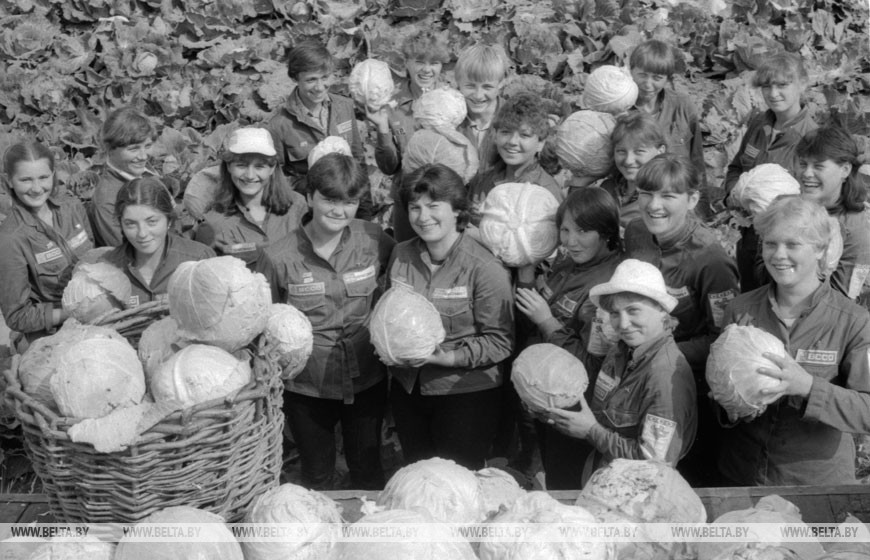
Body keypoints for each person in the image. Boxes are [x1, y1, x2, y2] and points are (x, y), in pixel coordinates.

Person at [255, 153, 393, 491]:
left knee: (368, 469)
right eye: (330, 199)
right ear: (310, 196)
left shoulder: (375, 240)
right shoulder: (278, 256)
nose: (339, 210)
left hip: (366, 379)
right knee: (317, 473)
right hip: (307, 386)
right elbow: (261, 322)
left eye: (349, 202)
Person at [718, 196, 870, 485]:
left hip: (815, 483)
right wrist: (730, 402)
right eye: (771, 243)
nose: (778, 255)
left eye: (792, 244)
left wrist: (809, 388)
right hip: (743, 475)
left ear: (820, 249)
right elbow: (725, 397)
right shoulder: (740, 310)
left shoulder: (854, 321)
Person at [387, 164, 514, 470]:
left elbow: (501, 341)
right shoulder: (401, 254)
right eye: (414, 208)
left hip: (464, 395)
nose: (422, 216)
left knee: (459, 481)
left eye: (433, 206)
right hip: (409, 390)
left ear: (458, 210)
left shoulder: (483, 267)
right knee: (417, 476)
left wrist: (444, 359)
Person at [623, 153, 739, 486]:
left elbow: (722, 339)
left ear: (692, 199)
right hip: (637, 375)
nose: (653, 205)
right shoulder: (636, 233)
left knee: (680, 482)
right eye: (646, 193)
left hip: (687, 389)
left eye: (668, 196)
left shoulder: (710, 260)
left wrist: (663, 351)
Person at [546, 259, 697, 484]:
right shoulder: (621, 350)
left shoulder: (663, 376)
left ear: (662, 311)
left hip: (634, 496)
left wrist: (591, 431)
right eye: (615, 313)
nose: (623, 324)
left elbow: (654, 464)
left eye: (633, 310)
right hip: (606, 478)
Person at [515, 187, 623, 489]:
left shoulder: (605, 287)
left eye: (583, 231)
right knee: (552, 474)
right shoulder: (566, 263)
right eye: (565, 229)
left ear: (606, 233)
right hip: (546, 396)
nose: (570, 241)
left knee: (569, 484)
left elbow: (593, 364)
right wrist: (526, 275)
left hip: (577, 409)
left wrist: (547, 322)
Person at [723, 52, 816, 292]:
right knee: (751, 297)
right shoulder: (758, 123)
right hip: (750, 238)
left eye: (783, 85)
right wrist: (733, 195)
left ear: (802, 84)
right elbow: (736, 167)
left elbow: (815, 199)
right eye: (767, 86)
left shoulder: (812, 138)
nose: (773, 94)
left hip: (785, 244)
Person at [0, 141, 94, 349]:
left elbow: (95, 256)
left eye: (43, 177)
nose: (36, 188)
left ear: (53, 174)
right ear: (9, 181)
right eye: (25, 180)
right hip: (52, 335)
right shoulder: (10, 239)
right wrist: (70, 313)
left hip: (95, 315)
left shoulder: (72, 206)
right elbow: (17, 316)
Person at [267, 41, 372, 219]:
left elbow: (358, 161)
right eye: (311, 80)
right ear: (295, 79)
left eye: (325, 78)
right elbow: (276, 179)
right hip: (308, 213)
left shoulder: (344, 106)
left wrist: (365, 212)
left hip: (347, 208)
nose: (319, 87)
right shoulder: (279, 124)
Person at [195, 128, 307, 269]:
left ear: (272, 169)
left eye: (259, 166)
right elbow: (206, 278)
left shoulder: (298, 206)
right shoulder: (213, 222)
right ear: (228, 167)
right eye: (241, 165)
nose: (250, 175)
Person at [101, 177, 214, 306]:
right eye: (131, 224)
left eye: (152, 222)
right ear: (120, 224)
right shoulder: (106, 268)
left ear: (169, 220)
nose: (142, 233)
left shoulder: (199, 259)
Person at [795, 125, 870, 306]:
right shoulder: (792, 207)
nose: (807, 173)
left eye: (818, 166)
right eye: (803, 164)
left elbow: (844, 300)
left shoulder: (855, 227)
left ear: (844, 170)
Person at [467, 92, 563, 227]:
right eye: (505, 132)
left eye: (524, 135)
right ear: (495, 135)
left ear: (540, 143)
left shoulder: (546, 191)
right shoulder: (482, 180)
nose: (512, 141)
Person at [368, 30, 451, 177]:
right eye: (419, 62)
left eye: (434, 63)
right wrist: (382, 128)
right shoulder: (391, 107)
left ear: (441, 66)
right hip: (408, 191)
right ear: (406, 62)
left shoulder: (453, 101)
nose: (427, 70)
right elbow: (389, 168)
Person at [629, 40, 704, 179]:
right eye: (642, 75)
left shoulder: (683, 105)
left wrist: (702, 198)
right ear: (631, 71)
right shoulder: (622, 110)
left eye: (657, 78)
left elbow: (697, 159)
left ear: (668, 80)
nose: (648, 84)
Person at [90, 106, 158, 248]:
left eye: (147, 146)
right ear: (109, 149)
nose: (143, 156)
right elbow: (128, 253)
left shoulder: (147, 174)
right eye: (133, 149)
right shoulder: (107, 200)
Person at [600, 112, 667, 228]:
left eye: (639, 151)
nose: (628, 161)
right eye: (621, 151)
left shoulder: (667, 197)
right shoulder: (607, 189)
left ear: (660, 151)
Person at [455, 44, 511, 171]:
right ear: (458, 81)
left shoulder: (514, 118)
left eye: (487, 87)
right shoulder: (449, 119)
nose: (478, 95)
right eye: (470, 86)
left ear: (501, 83)